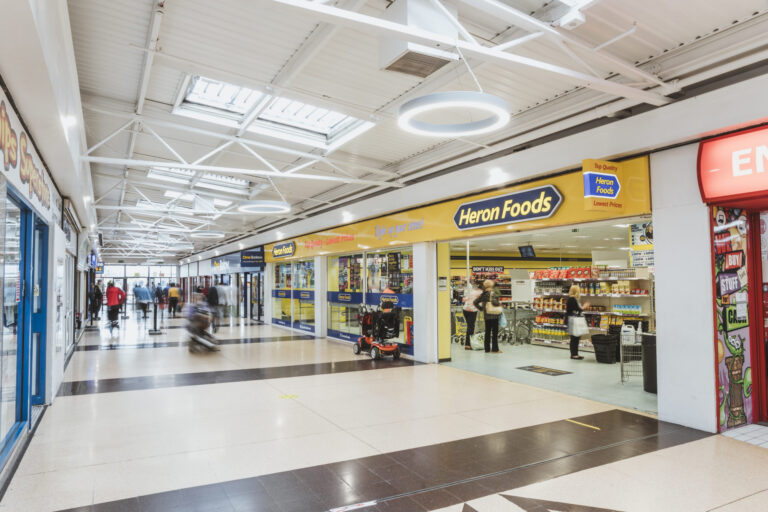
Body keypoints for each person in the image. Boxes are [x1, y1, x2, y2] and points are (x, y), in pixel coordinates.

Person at [474, 279, 502, 354]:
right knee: (494, 333)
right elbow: (495, 303)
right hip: (494, 315)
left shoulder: (483, 294)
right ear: (491, 285)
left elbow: (475, 302)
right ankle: (495, 349)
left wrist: (481, 308)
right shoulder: (493, 293)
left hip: (486, 316)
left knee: (487, 332)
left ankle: (487, 349)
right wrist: (499, 303)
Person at [566, 284, 590, 360]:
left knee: (576, 337)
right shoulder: (572, 299)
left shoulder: (573, 299)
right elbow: (577, 310)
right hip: (573, 320)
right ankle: (574, 354)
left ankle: (575, 354)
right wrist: (584, 307)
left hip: (573, 319)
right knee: (574, 338)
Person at [462, 281, 483, 350]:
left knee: (469, 327)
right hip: (472, 310)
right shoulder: (481, 292)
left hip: (465, 309)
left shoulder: (472, 291)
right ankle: (468, 344)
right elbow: (480, 303)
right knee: (470, 327)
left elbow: (464, 299)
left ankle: (468, 343)